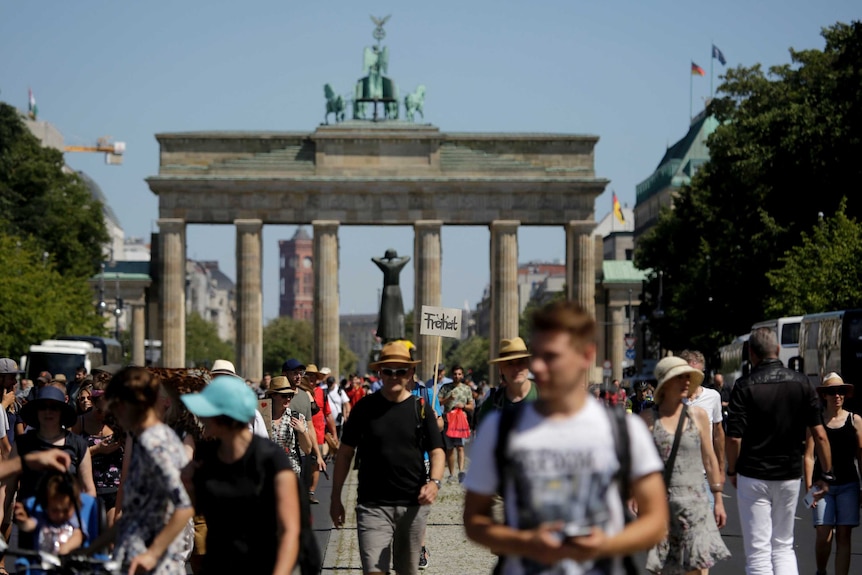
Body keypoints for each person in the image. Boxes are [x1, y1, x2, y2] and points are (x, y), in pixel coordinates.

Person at [463, 300, 669, 574]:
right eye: (535, 355)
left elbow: (656, 521)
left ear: (586, 355)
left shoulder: (624, 431)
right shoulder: (499, 428)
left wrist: (605, 545)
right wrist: (525, 541)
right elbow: (474, 520)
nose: (537, 366)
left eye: (550, 357)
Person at [330, 341, 445, 575]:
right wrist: (335, 497)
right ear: (379, 372)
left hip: (413, 505)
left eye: (401, 370)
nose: (394, 376)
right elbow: (344, 454)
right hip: (373, 506)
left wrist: (434, 482)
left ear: (411, 372)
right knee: (374, 571)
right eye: (388, 371)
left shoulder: (420, 408)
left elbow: (437, 451)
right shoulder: (364, 408)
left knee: (407, 571)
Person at [726, 327, 833, 575]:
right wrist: (826, 474)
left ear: (751, 353)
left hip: (753, 472)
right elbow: (820, 435)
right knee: (784, 546)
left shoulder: (744, 386)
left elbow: (733, 438)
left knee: (758, 551)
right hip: (789, 472)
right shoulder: (803, 384)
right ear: (777, 350)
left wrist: (732, 469)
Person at [181, 375, 301, 574]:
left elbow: (289, 529)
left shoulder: (271, 459)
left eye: (206, 412)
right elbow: (186, 509)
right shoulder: (207, 457)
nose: (200, 418)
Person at [90, 366, 194, 575]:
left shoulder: (157, 443)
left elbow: (185, 505)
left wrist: (152, 553)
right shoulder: (142, 439)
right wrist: (91, 547)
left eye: (118, 405)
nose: (113, 412)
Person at [641, 356, 730, 574]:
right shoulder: (648, 418)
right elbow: (639, 463)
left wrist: (718, 498)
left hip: (696, 501)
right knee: (665, 568)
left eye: (688, 378)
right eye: (679, 378)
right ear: (665, 383)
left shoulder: (698, 416)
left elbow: (709, 458)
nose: (686, 382)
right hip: (661, 503)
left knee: (698, 567)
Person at [803, 373, 862, 575]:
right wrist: (809, 488)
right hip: (822, 487)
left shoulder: (855, 421)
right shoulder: (816, 421)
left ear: (845, 395)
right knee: (823, 534)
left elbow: (861, 456)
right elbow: (809, 456)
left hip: (849, 485)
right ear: (824, 396)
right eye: (831, 392)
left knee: (844, 535)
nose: (837, 395)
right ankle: (821, 570)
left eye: (840, 391)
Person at [678, 349, 726, 509]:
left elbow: (718, 434)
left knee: (708, 527)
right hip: (676, 477)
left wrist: (721, 467)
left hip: (703, 475)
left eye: (697, 374)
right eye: (687, 373)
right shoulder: (672, 399)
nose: (692, 379)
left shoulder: (712, 397)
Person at [13, 472, 85, 556]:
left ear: (74, 506)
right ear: (46, 506)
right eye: (55, 510)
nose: (60, 515)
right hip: (42, 563)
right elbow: (29, 525)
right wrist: (23, 521)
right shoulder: (43, 519)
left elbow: (79, 535)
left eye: (65, 511)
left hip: (67, 564)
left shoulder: (74, 521)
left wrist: (66, 548)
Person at [475, 337, 538, 427]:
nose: (516, 369)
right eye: (510, 364)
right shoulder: (492, 404)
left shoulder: (546, 396)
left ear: (528, 364)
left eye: (520, 362)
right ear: (501, 369)